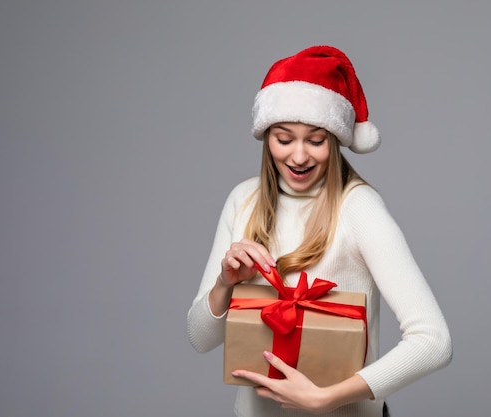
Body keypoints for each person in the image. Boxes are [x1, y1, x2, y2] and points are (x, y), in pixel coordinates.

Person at [187, 45, 452, 417]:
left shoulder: (358, 207)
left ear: (336, 139)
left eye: (315, 140)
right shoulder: (242, 200)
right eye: (284, 139)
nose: (298, 157)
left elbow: (434, 342)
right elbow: (201, 339)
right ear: (266, 138)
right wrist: (225, 283)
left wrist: (326, 399)